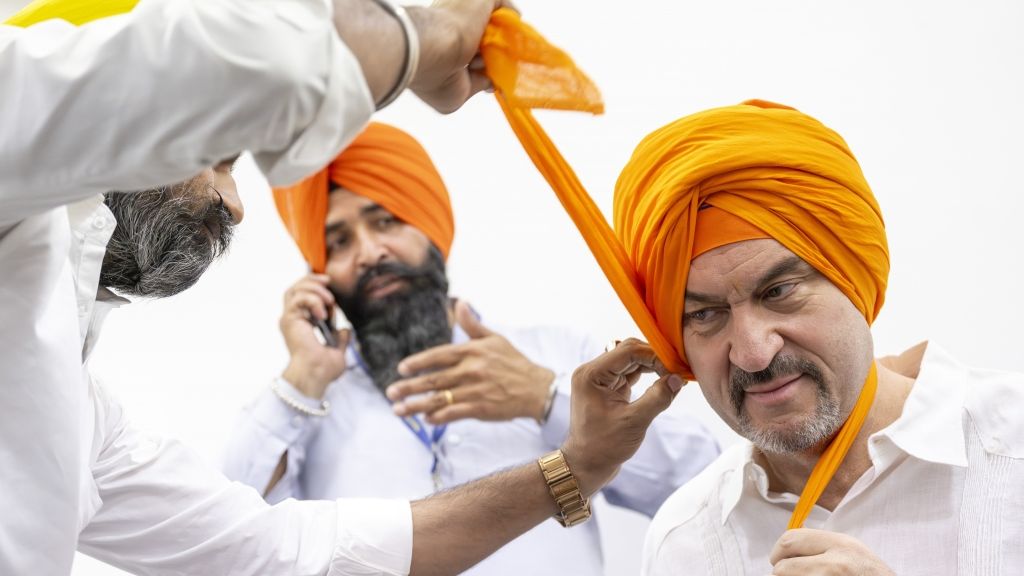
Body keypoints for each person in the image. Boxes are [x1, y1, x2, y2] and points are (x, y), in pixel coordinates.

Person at [0, 1, 683, 574]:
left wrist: (564, 439)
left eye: (388, 220)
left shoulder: (71, 398)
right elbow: (240, 57)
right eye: (222, 153)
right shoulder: (16, 136)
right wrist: (428, 38)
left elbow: (283, 551)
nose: (236, 206)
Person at [542, 99, 1024, 575]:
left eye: (779, 291)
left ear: (854, 279)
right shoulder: (686, 540)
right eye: (706, 314)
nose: (753, 353)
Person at [222, 121, 720, 575]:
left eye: (385, 221)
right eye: (339, 241)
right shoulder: (309, 404)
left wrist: (545, 398)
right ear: (320, 271)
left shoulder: (557, 356)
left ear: (431, 227)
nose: (370, 252)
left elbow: (706, 490)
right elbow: (228, 541)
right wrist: (303, 380)